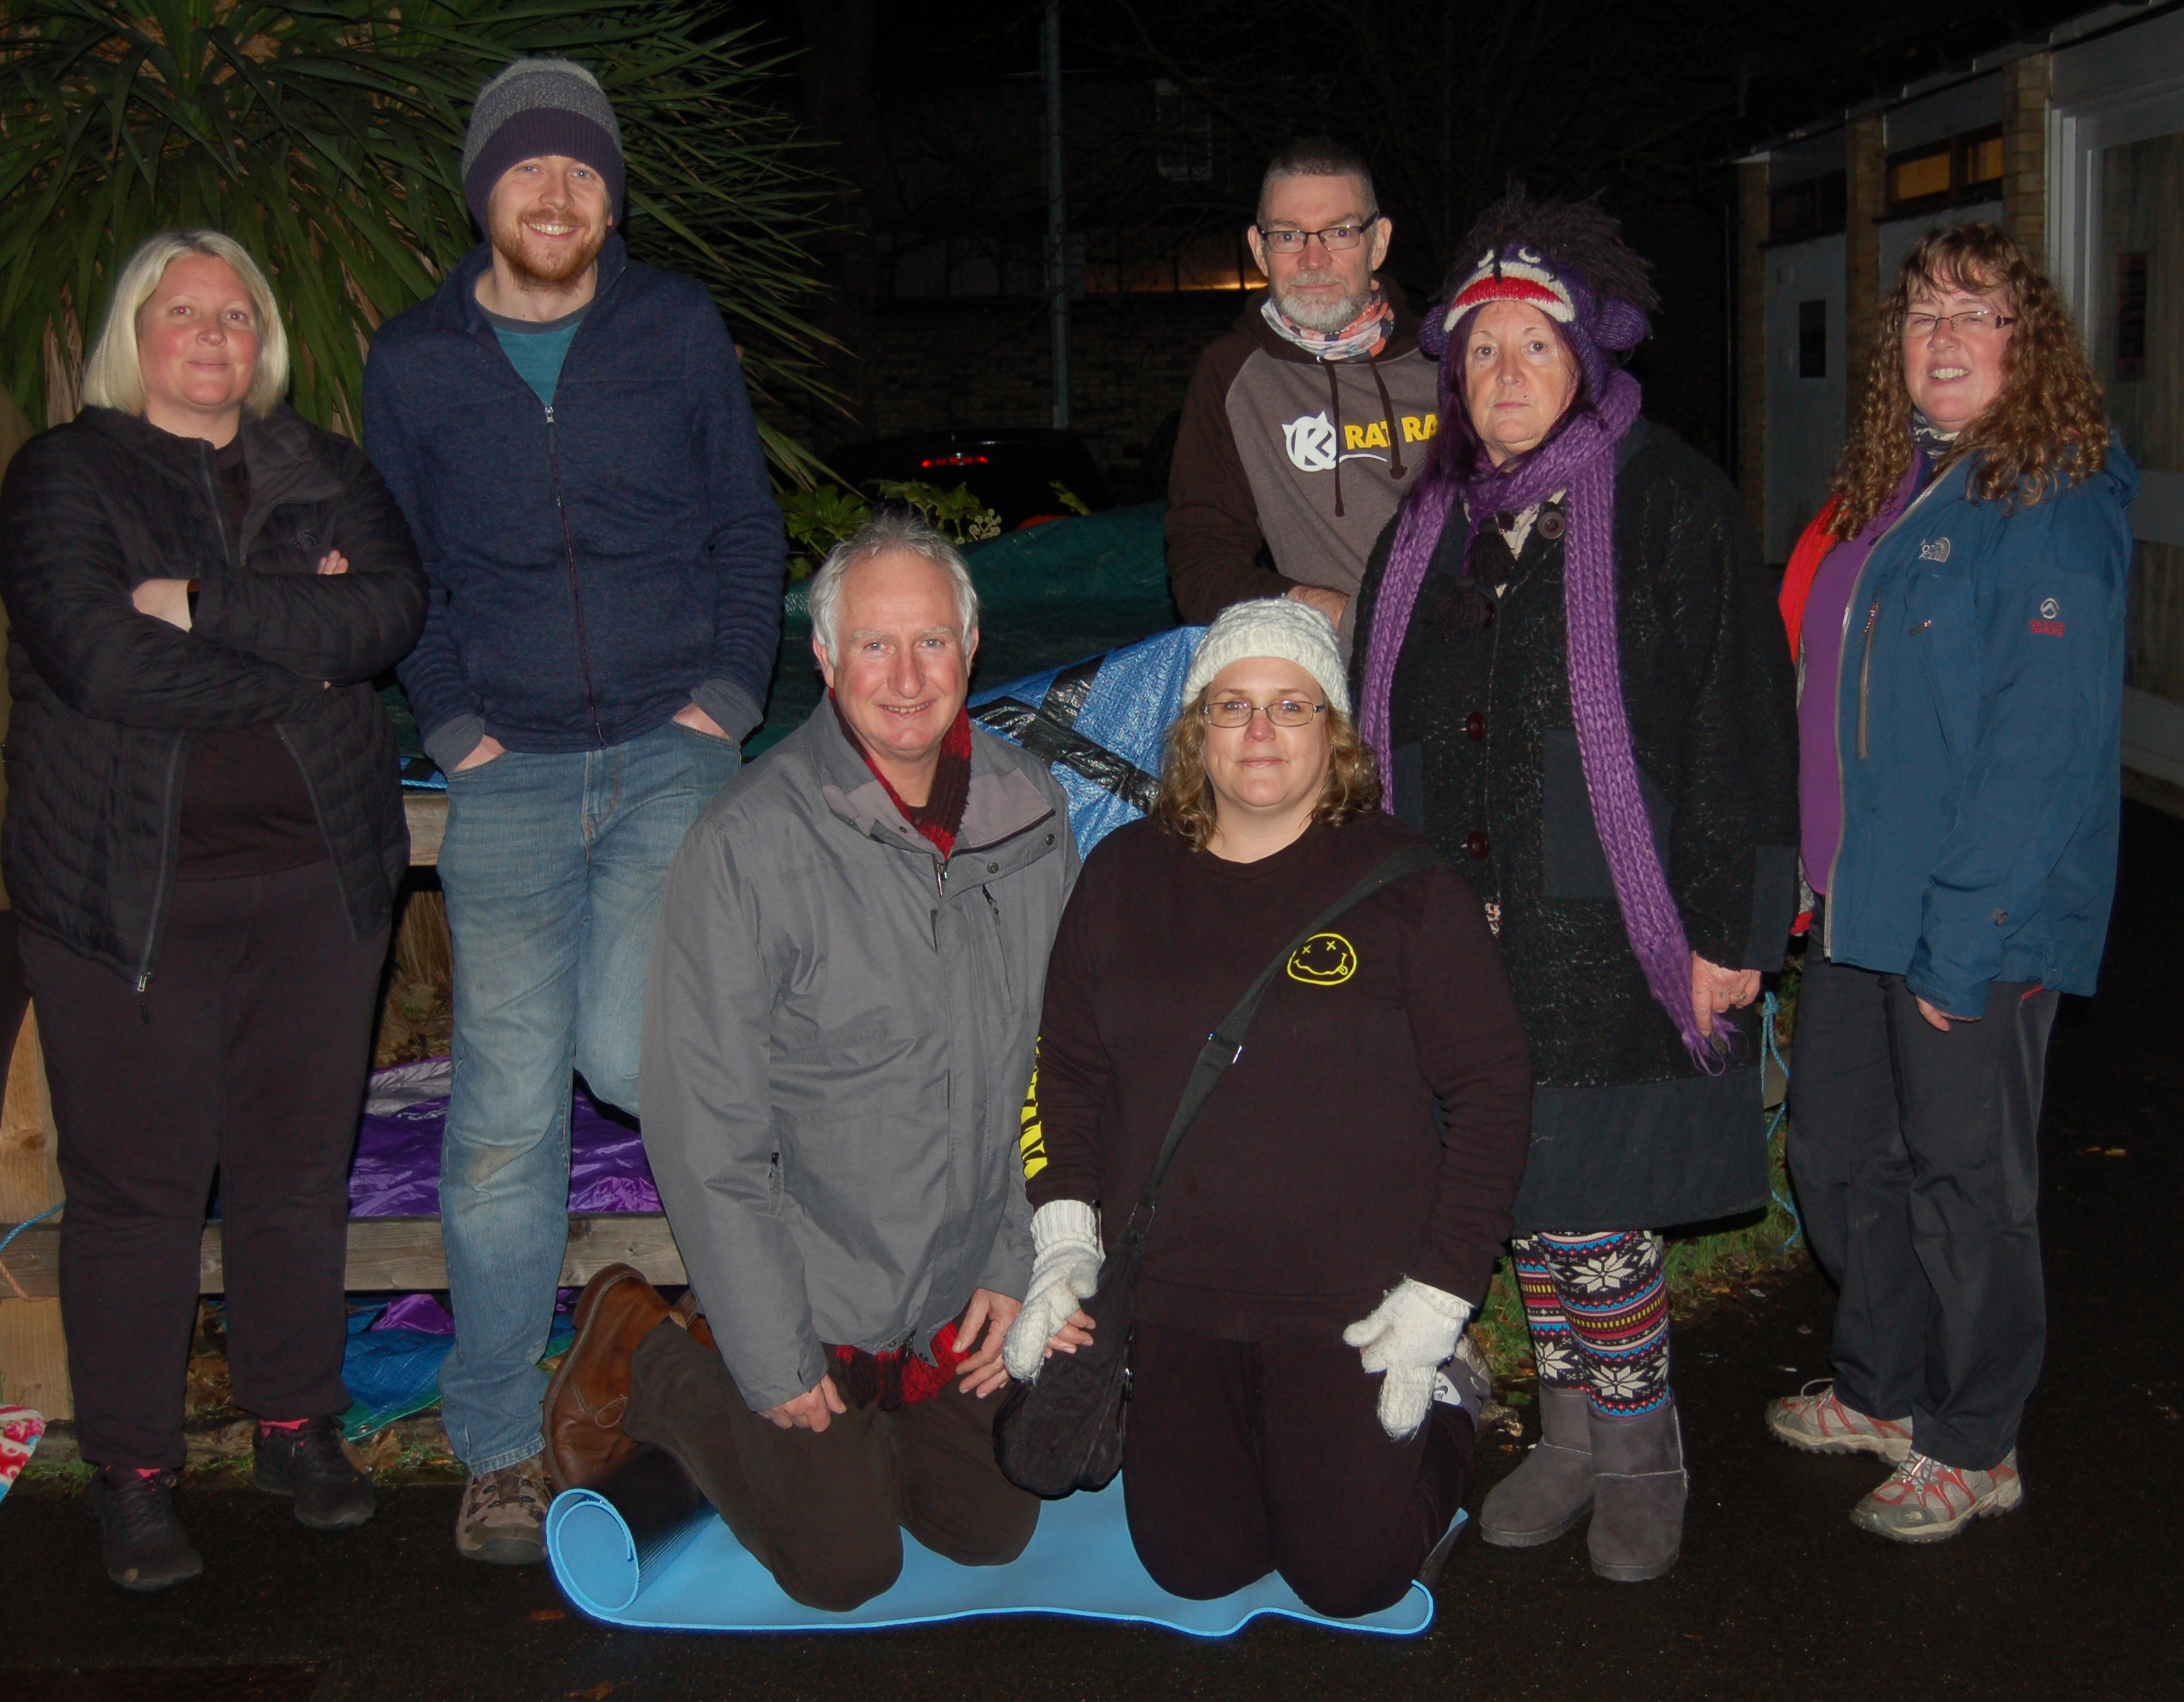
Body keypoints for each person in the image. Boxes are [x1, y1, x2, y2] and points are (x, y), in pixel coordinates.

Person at [361, 58, 784, 1562]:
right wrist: (458, 727)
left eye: (583, 174)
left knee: (629, 1046)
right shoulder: (414, 362)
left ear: (613, 195)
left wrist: (724, 699)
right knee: (495, 1123)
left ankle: (763, 1357)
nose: (556, 196)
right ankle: (492, 1444)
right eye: (528, 172)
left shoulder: (672, 330)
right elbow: (395, 563)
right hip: (511, 774)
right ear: (483, 190)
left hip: (672, 753)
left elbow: (746, 522)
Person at [1349, 192, 1799, 1583]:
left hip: (1619, 925)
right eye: (1478, 354)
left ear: (1585, 360)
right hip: (1466, 930)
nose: (1502, 377)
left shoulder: (1670, 499)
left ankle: (1642, 1442)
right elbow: (1385, 734)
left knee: (1594, 1204)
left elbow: (1741, 722)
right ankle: (1566, 1434)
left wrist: (1736, 929)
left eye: (1530, 348)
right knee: (1523, 1190)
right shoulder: (1426, 531)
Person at [541, 517, 1077, 1610]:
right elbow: (705, 1128)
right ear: (825, 661)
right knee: (846, 1565)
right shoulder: (747, 842)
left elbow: (1057, 1064)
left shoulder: (1032, 814)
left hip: (949, 1285)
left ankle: (856, 1438)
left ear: (971, 650)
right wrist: (769, 1347)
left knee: (991, 1528)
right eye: (872, 645)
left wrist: (1013, 1258)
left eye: (931, 640)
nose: (906, 674)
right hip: (809, 1282)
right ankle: (652, 1348)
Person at [0, 231, 427, 1591]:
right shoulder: (67, 471)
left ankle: (294, 1424)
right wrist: (296, 655)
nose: (213, 334)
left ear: (265, 341)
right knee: (136, 1193)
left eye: (236, 314)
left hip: (321, 888)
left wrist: (203, 605)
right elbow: (95, 660)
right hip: (128, 898)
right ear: (135, 333)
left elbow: (390, 618)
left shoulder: (325, 469)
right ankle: (131, 1474)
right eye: (184, 312)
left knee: (297, 1172)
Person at [1004, 598, 1532, 1617]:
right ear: (1193, 728)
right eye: (1231, 705)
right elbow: (1063, 1067)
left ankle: (1451, 1402)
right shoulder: (1120, 874)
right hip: (1173, 1292)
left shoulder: (1408, 891)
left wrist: (1438, 1290)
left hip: (1353, 1304)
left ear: (1330, 732)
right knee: (1193, 1562)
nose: (1257, 732)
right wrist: (1065, 1242)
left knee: (1350, 1576)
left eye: (1288, 705)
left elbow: (1491, 1092)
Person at [1765, 224, 2134, 1543]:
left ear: (2024, 346)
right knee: (1837, 1157)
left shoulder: (2048, 501)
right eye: (1922, 314)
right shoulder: (1895, 486)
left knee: (1963, 1187)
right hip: (1857, 905)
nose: (1941, 338)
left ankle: (1974, 1441)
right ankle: (1881, 1391)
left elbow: (2039, 754)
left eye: (1974, 314)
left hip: (1966, 921)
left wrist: (1966, 942)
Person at [1166, 139, 1440, 652]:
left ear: (1378, 243)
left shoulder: (1453, 360)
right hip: (1336, 680)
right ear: (1259, 249)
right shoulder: (1234, 376)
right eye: (1289, 235)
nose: (1314, 259)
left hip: (1466, 660)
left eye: (1340, 231)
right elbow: (1201, 565)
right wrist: (1337, 614)